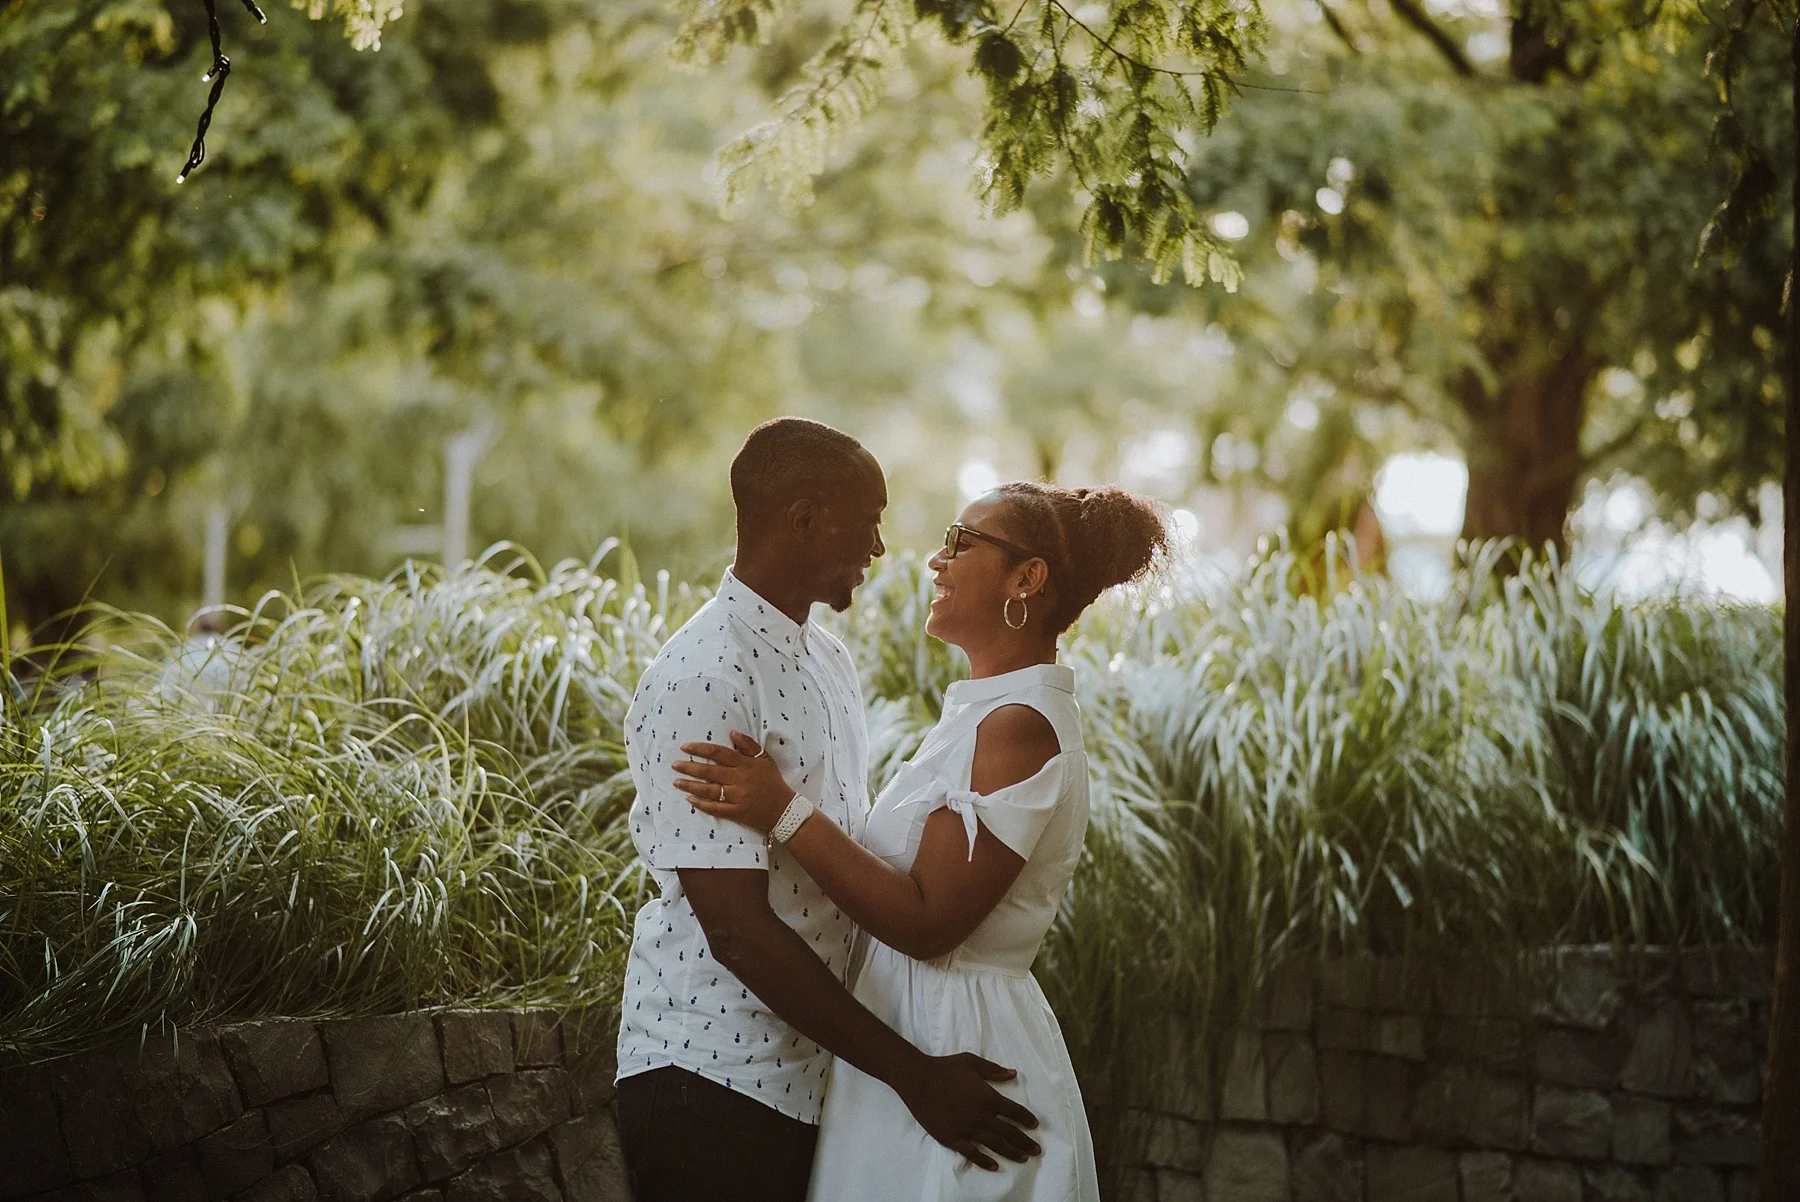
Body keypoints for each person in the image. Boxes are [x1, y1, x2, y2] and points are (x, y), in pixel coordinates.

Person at [674, 479, 1170, 1202]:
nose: (937, 562)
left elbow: (930, 921)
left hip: (958, 1052)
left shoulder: (1018, 726)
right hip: (910, 1044)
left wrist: (781, 809)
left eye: (961, 542)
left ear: (1026, 577)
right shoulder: (986, 714)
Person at [615, 418, 1042, 1202]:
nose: (880, 548)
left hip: (814, 1079)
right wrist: (913, 1075)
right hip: (710, 1079)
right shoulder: (705, 678)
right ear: (804, 519)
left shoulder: (830, 661)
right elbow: (737, 932)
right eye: (870, 520)